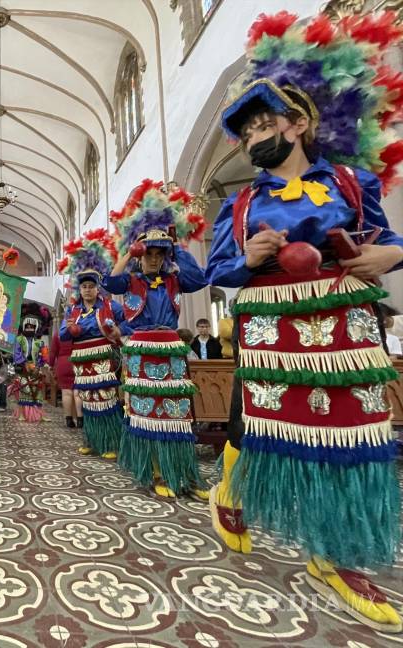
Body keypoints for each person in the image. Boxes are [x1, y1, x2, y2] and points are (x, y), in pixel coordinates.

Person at [204, 11, 403, 633]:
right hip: (273, 321)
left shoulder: (350, 180)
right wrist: (250, 257)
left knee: (353, 434)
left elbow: (389, 238)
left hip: (344, 321)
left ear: (299, 124)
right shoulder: (241, 203)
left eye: (266, 122)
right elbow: (219, 273)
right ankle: (231, 488)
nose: (257, 134)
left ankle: (336, 555)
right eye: (248, 129)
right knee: (260, 418)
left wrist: (386, 256)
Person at [107, 180, 208, 500]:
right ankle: (151, 468)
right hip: (140, 351)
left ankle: (181, 471)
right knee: (146, 411)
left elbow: (200, 279)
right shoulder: (133, 279)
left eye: (158, 253)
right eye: (148, 253)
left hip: (171, 351)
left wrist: (176, 243)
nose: (152, 258)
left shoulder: (176, 277)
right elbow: (111, 282)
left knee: (176, 413)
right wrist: (127, 252)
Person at [57, 229, 130, 458]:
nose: (87, 290)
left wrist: (119, 330)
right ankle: (90, 440)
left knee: (107, 399)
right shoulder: (74, 310)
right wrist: (70, 329)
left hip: (105, 359)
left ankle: (110, 443)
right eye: (84, 286)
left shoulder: (110, 307)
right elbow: (62, 336)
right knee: (87, 401)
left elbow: (130, 321)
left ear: (98, 287)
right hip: (83, 360)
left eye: (91, 286)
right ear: (79, 289)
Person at [11, 303, 51, 422]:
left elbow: (44, 356)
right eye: (27, 326)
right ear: (23, 326)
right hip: (22, 369)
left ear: (36, 327)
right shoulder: (18, 339)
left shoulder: (39, 342)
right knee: (23, 391)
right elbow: (17, 354)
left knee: (38, 392)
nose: (29, 328)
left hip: (36, 369)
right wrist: (25, 364)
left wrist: (39, 366)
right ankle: (22, 414)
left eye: (32, 326)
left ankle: (41, 414)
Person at [48, 331, 80, 428]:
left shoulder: (58, 334)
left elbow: (53, 352)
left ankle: (69, 420)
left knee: (66, 393)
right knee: (77, 393)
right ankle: (79, 419)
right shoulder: (78, 331)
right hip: (77, 363)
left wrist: (50, 365)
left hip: (63, 364)